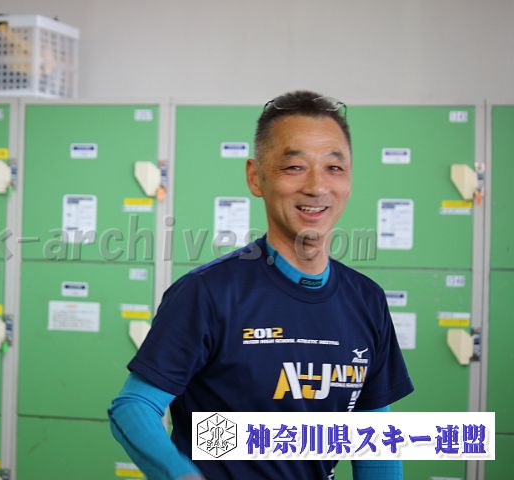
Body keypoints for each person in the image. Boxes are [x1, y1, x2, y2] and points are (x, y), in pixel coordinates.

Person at [108, 91, 414, 479]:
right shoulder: (208, 293)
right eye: (295, 167)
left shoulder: (366, 300)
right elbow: (134, 407)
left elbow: (374, 442)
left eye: (334, 168)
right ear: (256, 177)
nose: (317, 186)